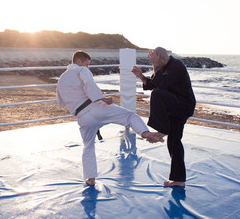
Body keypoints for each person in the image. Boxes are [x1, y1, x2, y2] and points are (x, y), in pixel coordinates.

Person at [57, 50, 164, 186]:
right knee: (129, 115)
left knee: (88, 146)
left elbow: (60, 102)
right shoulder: (81, 70)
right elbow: (89, 84)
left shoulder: (62, 78)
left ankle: (90, 178)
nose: (88, 67)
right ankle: (144, 132)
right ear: (79, 61)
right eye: (87, 64)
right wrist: (102, 98)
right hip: (96, 107)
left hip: (82, 116)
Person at [131, 47, 196, 187]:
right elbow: (153, 83)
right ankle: (179, 180)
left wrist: (155, 65)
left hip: (183, 105)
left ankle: (161, 132)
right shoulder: (163, 67)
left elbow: (160, 85)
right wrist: (141, 76)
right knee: (174, 142)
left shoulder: (177, 66)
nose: (155, 65)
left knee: (157, 94)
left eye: (156, 61)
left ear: (163, 58)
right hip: (172, 107)